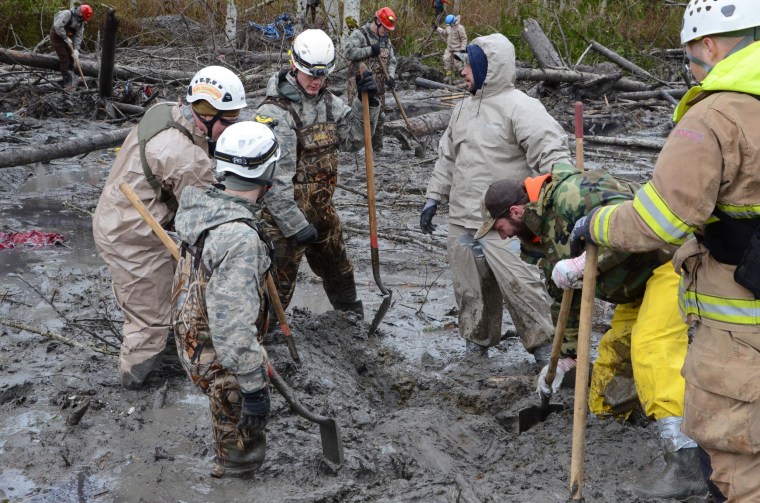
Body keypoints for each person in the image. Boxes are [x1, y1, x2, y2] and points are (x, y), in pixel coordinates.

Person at [569, 1, 760, 500]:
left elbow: (659, 220)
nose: (691, 67)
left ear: (710, 46)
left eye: (690, 55)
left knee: (736, 467)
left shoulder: (715, 116)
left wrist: (597, 222)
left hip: (742, 329)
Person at [476, 164, 707, 500]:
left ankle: (687, 462)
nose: (503, 236)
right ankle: (628, 426)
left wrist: (588, 263)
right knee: (611, 369)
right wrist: (566, 357)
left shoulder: (575, 195)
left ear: (515, 211)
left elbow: (644, 224)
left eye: (500, 227)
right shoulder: (536, 238)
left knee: (651, 347)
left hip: (669, 265)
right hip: (634, 289)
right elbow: (562, 296)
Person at [92, 66, 247, 389]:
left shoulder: (167, 112)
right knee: (148, 318)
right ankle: (137, 383)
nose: (233, 127)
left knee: (170, 288)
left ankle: (163, 354)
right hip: (130, 235)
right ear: (205, 113)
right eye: (228, 121)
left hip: (131, 213)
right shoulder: (185, 159)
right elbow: (205, 219)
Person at [420, 33, 571, 363]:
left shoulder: (521, 107)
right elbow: (447, 157)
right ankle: (477, 345)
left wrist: (567, 192)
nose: (462, 71)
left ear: (489, 67)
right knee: (470, 289)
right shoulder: (462, 108)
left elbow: (551, 152)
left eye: (470, 65)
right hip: (461, 218)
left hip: (506, 222)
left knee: (523, 286)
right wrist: (433, 198)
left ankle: (546, 351)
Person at [172, 121, 279, 479]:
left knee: (239, 365)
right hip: (215, 355)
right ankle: (236, 471)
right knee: (241, 412)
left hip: (191, 336)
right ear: (268, 174)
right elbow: (233, 326)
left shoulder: (203, 204)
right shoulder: (240, 238)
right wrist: (252, 385)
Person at [254, 29, 379, 318]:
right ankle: (266, 336)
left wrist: (367, 104)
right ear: (294, 64)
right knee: (277, 286)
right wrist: (296, 226)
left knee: (339, 270)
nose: (316, 82)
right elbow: (273, 182)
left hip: (321, 209)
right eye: (311, 75)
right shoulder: (276, 114)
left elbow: (355, 140)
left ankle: (350, 320)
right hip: (281, 218)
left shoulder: (327, 102)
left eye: (322, 76)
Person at [344, 7, 397, 151]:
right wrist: (370, 50)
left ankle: (377, 152)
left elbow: (392, 61)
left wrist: (391, 77)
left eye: (388, 29)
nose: (386, 32)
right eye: (385, 28)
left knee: (379, 119)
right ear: (377, 22)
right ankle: (355, 153)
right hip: (359, 87)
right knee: (359, 119)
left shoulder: (386, 40)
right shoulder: (359, 34)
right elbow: (348, 52)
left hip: (379, 88)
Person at [50, 3, 93, 88]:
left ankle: (72, 76)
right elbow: (58, 26)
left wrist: (76, 49)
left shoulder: (80, 22)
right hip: (57, 37)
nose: (83, 19)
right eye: (83, 17)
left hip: (67, 39)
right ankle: (67, 82)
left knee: (72, 58)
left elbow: (79, 35)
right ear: (80, 11)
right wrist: (65, 38)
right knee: (65, 58)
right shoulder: (67, 14)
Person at [436, 14, 467, 85]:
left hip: (458, 49)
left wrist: (463, 49)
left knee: (458, 64)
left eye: (450, 24)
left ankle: (463, 77)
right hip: (449, 49)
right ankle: (448, 76)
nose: (449, 25)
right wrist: (437, 28)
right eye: (448, 24)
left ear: (453, 21)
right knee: (446, 60)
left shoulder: (460, 28)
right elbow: (444, 32)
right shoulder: (449, 27)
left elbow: (464, 39)